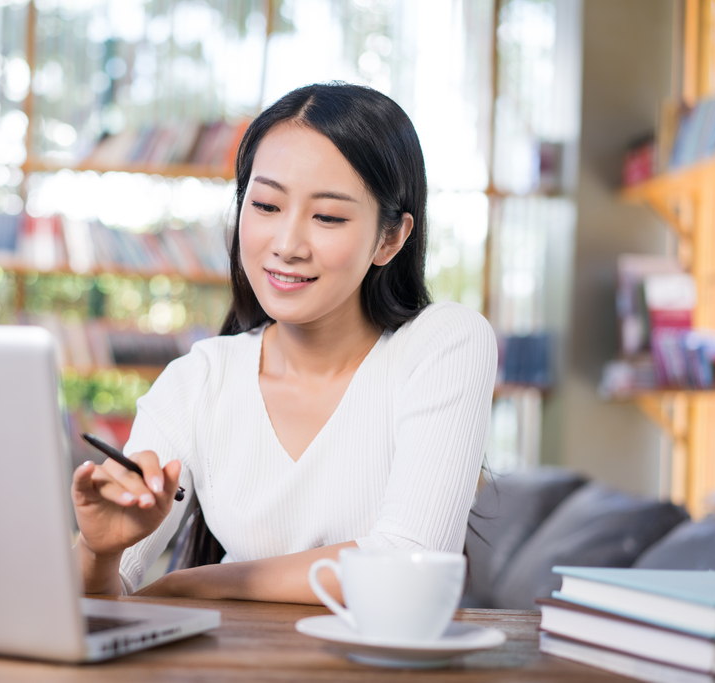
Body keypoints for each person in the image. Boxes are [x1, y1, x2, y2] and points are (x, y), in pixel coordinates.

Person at [71, 82, 497, 604]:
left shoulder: (443, 345)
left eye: (328, 217)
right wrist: (99, 553)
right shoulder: (200, 380)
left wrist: (201, 581)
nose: (287, 245)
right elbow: (104, 605)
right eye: (267, 205)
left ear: (390, 238)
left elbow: (410, 568)